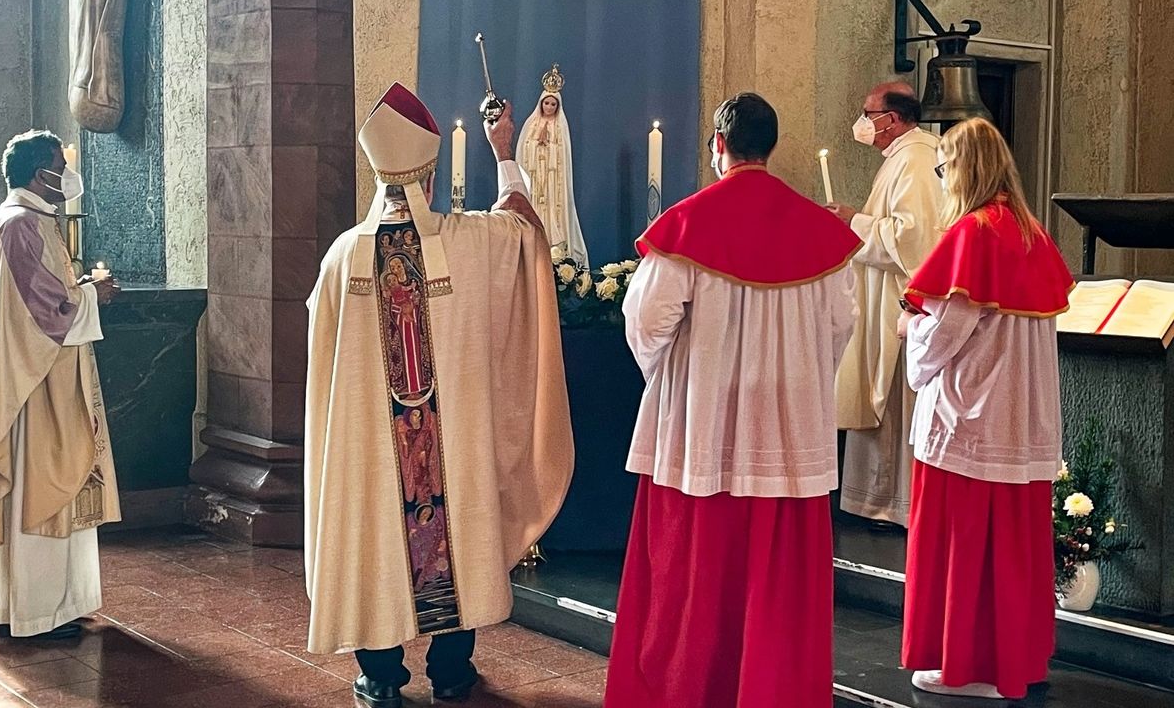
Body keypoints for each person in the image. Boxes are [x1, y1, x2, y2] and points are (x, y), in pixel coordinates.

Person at [302, 83, 573, 708]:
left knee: (376, 524)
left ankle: (380, 675)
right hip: (445, 444)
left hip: (374, 445)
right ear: (428, 176)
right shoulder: (472, 242)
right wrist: (503, 150)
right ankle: (451, 671)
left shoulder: (344, 255)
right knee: (457, 516)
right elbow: (524, 223)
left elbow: (321, 347)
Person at [604, 92, 861, 708]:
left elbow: (644, 320)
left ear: (719, 147)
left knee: (696, 579)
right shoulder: (821, 234)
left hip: (705, 430)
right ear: (771, 148)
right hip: (787, 435)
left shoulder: (690, 223)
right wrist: (795, 382)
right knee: (779, 587)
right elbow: (840, 325)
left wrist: (675, 382)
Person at [898, 118, 1073, 700]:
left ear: (963, 168)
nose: (943, 179)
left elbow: (946, 332)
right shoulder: (1033, 236)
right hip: (1022, 421)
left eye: (944, 168)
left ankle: (965, 666)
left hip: (970, 417)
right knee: (1014, 550)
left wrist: (910, 332)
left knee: (962, 542)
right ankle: (1011, 663)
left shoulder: (972, 234)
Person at [0, 129, 121, 640]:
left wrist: (81, 291)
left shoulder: (23, 221)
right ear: (35, 173)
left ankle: (46, 605)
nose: (65, 174)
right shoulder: (21, 225)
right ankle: (36, 612)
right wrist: (95, 297)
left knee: (46, 484)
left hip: (40, 374)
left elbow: (44, 296)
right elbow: (47, 313)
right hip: (36, 385)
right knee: (40, 484)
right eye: (56, 164)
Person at [828, 81, 944, 529]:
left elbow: (912, 238)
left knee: (895, 404)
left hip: (900, 303)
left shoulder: (915, 159)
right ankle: (881, 501)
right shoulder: (908, 156)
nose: (862, 123)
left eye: (867, 113)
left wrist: (853, 222)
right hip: (887, 298)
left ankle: (893, 504)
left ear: (891, 120)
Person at [516, 64, 589, 266]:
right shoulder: (531, 124)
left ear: (557, 106)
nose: (549, 107)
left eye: (552, 104)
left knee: (551, 212)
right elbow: (523, 151)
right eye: (546, 103)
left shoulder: (560, 127)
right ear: (541, 104)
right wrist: (536, 144)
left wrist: (548, 146)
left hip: (551, 182)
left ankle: (556, 248)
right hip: (535, 180)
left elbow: (562, 155)